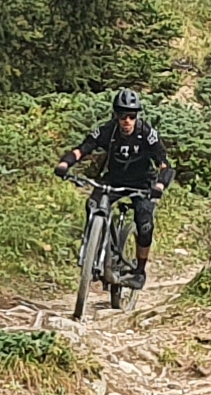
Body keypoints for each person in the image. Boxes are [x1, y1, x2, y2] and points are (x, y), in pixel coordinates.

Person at [69, 88, 172, 290]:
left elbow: (165, 164)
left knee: (144, 224)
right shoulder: (108, 131)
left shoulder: (147, 133)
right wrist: (65, 164)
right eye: (122, 115)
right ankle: (95, 249)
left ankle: (139, 271)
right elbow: (84, 148)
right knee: (92, 204)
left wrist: (159, 185)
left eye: (131, 116)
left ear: (137, 116)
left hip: (142, 182)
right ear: (116, 115)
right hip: (114, 179)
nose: (127, 121)